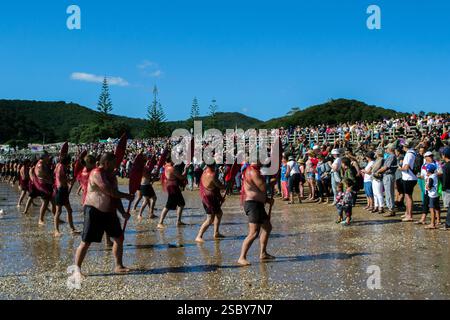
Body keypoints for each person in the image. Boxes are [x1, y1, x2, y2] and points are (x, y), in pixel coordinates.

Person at [74, 152, 134, 276]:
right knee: (86, 242)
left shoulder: (111, 176)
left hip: (109, 212)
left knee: (119, 238)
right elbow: (110, 191)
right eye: (114, 163)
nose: (116, 166)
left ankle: (118, 266)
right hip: (93, 210)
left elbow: (115, 197)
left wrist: (122, 212)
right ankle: (77, 270)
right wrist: (126, 196)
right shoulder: (96, 173)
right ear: (106, 163)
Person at [238, 160, 274, 266]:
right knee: (253, 233)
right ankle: (242, 257)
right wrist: (272, 182)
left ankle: (263, 253)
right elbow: (262, 187)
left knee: (267, 227)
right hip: (253, 205)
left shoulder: (253, 170)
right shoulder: (252, 171)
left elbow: (256, 190)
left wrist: (266, 199)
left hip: (257, 204)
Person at [195, 163, 226, 243]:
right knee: (210, 219)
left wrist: (220, 197)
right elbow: (219, 185)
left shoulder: (204, 171)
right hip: (209, 199)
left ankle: (216, 233)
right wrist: (226, 185)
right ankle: (199, 236)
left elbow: (215, 187)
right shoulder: (212, 175)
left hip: (209, 197)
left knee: (219, 214)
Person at [23, 152, 55, 224]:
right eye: (47, 156)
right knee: (45, 202)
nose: (48, 157)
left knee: (53, 202)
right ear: (44, 157)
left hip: (46, 184)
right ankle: (40, 219)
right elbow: (43, 175)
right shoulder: (40, 165)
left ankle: (56, 218)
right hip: (44, 186)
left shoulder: (43, 163)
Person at [157, 157, 187, 229]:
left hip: (172, 186)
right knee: (168, 205)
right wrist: (186, 170)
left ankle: (178, 221)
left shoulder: (166, 166)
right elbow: (181, 177)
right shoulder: (171, 168)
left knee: (181, 204)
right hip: (172, 187)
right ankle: (160, 223)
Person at [54, 155, 79, 237]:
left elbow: (56, 174)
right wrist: (70, 180)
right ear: (67, 162)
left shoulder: (58, 165)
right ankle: (56, 231)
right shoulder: (62, 167)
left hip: (61, 189)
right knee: (59, 211)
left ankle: (72, 228)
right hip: (61, 190)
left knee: (69, 210)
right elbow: (62, 178)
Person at [376, 144, 397, 217]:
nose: (385, 150)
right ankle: (391, 209)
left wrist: (377, 172)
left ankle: (391, 210)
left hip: (388, 175)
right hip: (387, 175)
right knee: (388, 193)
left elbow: (386, 167)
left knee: (389, 193)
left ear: (390, 149)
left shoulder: (391, 156)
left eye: (386, 148)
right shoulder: (390, 156)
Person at [399, 140, 418, 222]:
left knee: (408, 197)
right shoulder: (413, 152)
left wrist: (400, 168)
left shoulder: (409, 154)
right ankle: (407, 213)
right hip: (410, 177)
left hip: (409, 178)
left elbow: (406, 167)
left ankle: (409, 215)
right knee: (407, 196)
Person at [424, 163, 441, 229]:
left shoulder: (431, 177)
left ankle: (432, 223)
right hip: (436, 194)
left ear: (428, 171)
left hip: (432, 195)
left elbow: (429, 187)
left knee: (432, 209)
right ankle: (438, 220)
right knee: (437, 207)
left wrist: (426, 185)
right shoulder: (435, 175)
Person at [371, 149, 385, 214]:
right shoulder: (377, 159)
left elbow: (375, 168)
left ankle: (381, 207)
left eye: (376, 152)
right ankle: (376, 206)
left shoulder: (381, 159)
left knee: (379, 193)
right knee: (375, 193)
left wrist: (372, 170)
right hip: (374, 177)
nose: (375, 153)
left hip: (378, 178)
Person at [440, 147, 450, 231]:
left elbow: (445, 179)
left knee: (449, 207)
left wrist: (443, 187)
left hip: (448, 189)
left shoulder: (446, 166)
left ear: (444, 156)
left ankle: (448, 224)